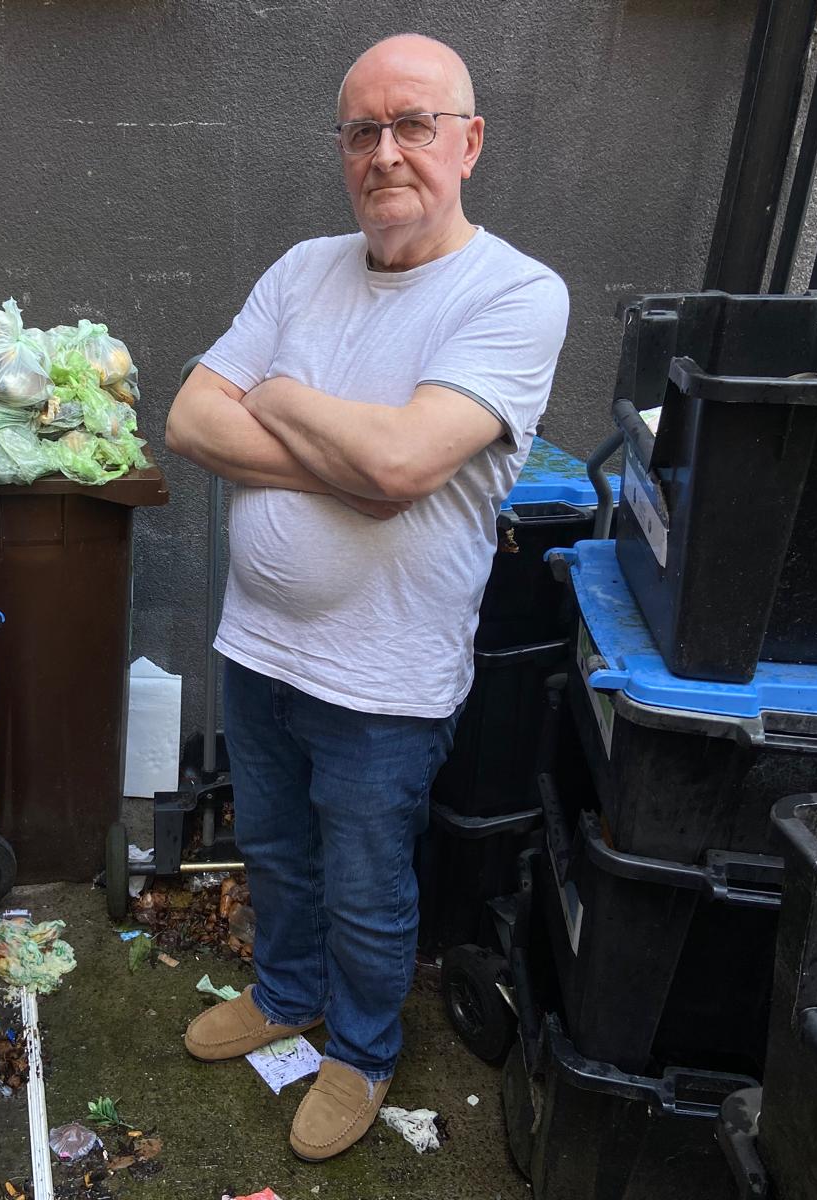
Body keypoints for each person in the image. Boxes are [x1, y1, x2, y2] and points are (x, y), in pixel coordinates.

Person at [163, 32, 570, 1162]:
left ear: (468, 142)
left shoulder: (516, 293)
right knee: (277, 853)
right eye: (363, 130)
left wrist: (283, 395)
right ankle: (285, 993)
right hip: (258, 647)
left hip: (385, 677)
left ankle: (360, 1050)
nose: (385, 152)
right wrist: (349, 458)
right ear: (342, 148)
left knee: (367, 883)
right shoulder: (302, 269)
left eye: (413, 125)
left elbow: (404, 465)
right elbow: (192, 421)